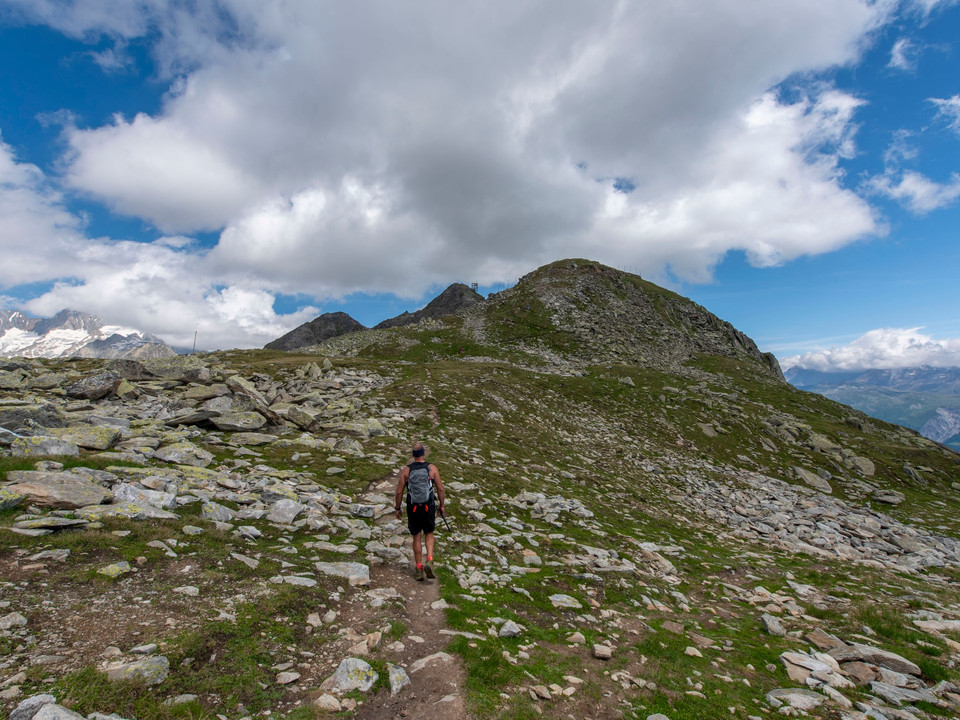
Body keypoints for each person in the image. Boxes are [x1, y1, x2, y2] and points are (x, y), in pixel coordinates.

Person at [395, 442, 445, 581]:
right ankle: (429, 559)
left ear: (413, 455)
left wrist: (398, 508)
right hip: (428, 506)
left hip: (413, 507)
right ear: (423, 453)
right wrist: (441, 505)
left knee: (416, 536)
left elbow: (399, 491)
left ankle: (418, 568)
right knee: (429, 532)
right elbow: (440, 489)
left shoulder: (407, 470)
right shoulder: (432, 468)